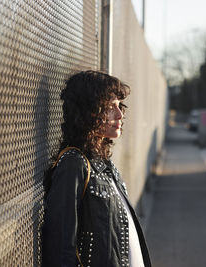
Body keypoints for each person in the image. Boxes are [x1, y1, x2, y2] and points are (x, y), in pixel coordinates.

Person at [41, 70, 152, 267]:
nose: (120, 115)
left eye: (119, 106)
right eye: (110, 107)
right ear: (89, 110)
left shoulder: (105, 165)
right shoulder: (73, 164)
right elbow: (60, 248)